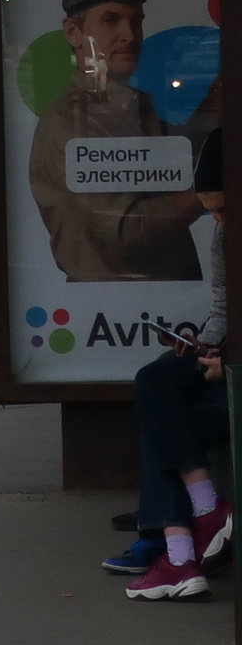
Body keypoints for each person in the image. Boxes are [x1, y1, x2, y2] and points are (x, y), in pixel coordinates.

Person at [111, 129, 230, 600]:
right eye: (210, 211)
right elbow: (223, 310)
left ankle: (177, 553)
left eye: (225, 209)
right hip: (225, 362)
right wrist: (203, 343)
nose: (219, 222)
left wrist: (232, 367)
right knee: (157, 379)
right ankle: (202, 515)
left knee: (161, 420)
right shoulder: (225, 235)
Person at [29, 0, 203, 282]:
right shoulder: (69, 121)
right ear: (74, 32)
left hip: (159, 304)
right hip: (115, 309)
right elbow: (128, 234)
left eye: (136, 21)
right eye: (111, 20)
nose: (131, 35)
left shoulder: (137, 108)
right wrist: (213, 191)